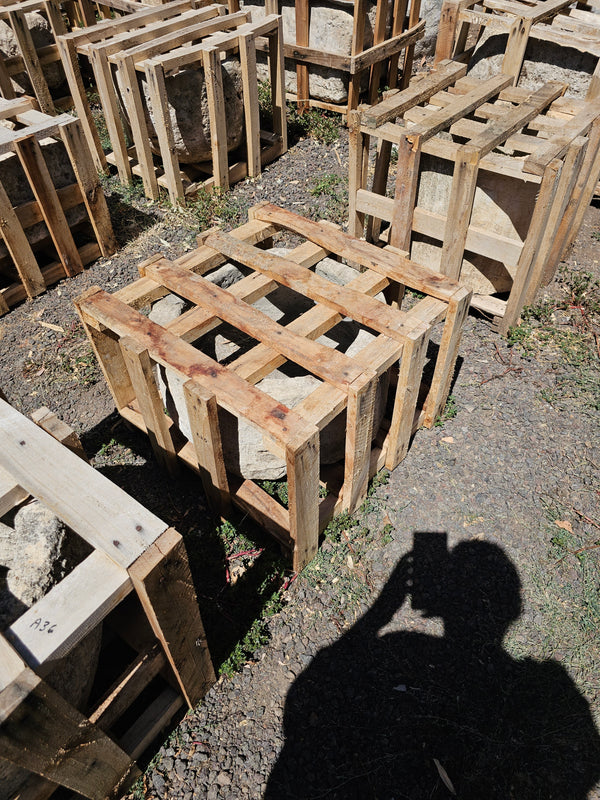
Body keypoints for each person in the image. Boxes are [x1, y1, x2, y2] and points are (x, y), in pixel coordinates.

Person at [266, 535, 600, 799]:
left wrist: (382, 610)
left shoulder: (399, 644)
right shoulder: (545, 690)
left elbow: (313, 686)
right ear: (514, 608)